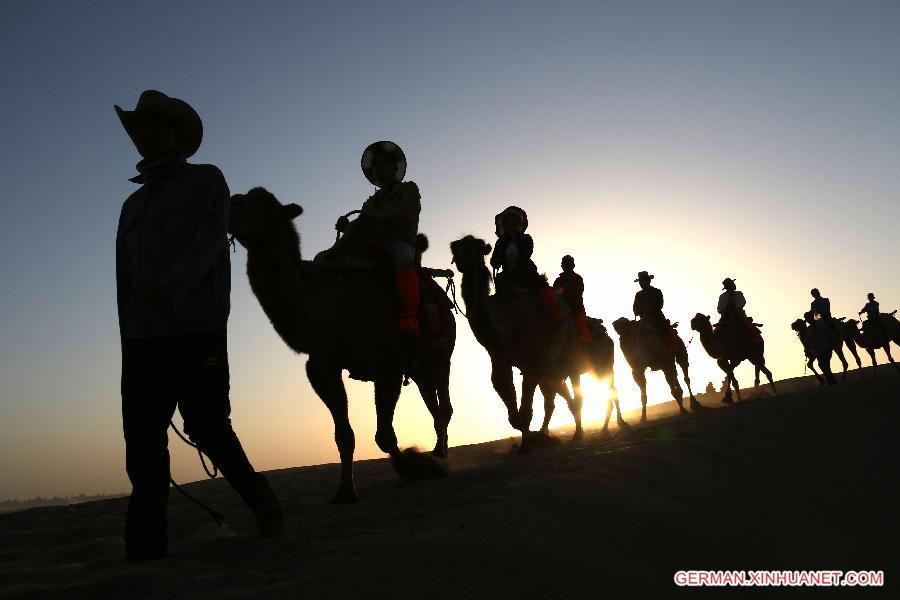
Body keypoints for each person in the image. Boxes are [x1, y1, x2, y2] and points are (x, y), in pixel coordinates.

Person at [115, 90, 281, 562]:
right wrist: (129, 332)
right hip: (142, 339)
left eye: (156, 126)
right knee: (143, 444)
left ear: (178, 136)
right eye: (141, 128)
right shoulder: (131, 207)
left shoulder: (207, 181)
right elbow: (123, 281)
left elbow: (210, 242)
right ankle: (146, 551)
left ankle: (260, 501)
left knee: (208, 426)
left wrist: (168, 291)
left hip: (196, 329)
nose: (147, 135)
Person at [337, 141, 421, 336]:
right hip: (371, 246)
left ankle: (409, 315)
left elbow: (406, 215)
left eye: (384, 163)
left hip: (399, 243)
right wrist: (348, 228)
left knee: (401, 257)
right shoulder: (370, 202)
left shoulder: (408, 189)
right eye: (375, 165)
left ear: (394, 167)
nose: (379, 168)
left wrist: (378, 217)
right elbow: (362, 228)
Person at [490, 206, 564, 322]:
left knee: (541, 285)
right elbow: (494, 259)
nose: (512, 225)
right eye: (510, 222)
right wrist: (496, 262)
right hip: (506, 274)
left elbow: (526, 253)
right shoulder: (500, 242)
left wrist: (516, 262)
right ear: (505, 224)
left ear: (519, 224)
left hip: (525, 271)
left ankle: (556, 312)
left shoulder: (526, 238)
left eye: (515, 222)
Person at [632, 271, 678, 351]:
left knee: (666, 329)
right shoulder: (638, 295)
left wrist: (649, 309)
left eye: (643, 281)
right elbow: (635, 308)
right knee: (632, 333)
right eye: (640, 282)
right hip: (643, 318)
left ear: (648, 281)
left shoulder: (657, 291)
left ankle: (673, 348)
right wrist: (640, 310)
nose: (641, 283)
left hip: (657, 316)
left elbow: (660, 304)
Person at [553, 255, 591, 342]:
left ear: (573, 266)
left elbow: (577, 294)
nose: (566, 266)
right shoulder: (558, 280)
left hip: (575, 309)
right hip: (560, 307)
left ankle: (585, 343)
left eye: (568, 264)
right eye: (564, 264)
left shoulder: (577, 279)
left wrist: (565, 291)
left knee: (584, 333)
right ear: (562, 266)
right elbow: (556, 293)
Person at [717, 277, 761, 343]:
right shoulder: (722, 296)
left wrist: (735, 307)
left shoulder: (739, 293)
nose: (733, 285)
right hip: (725, 315)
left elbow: (743, 302)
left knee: (747, 323)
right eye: (731, 284)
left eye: (733, 284)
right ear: (728, 287)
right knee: (718, 328)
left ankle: (755, 338)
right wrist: (725, 309)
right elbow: (719, 308)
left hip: (739, 313)